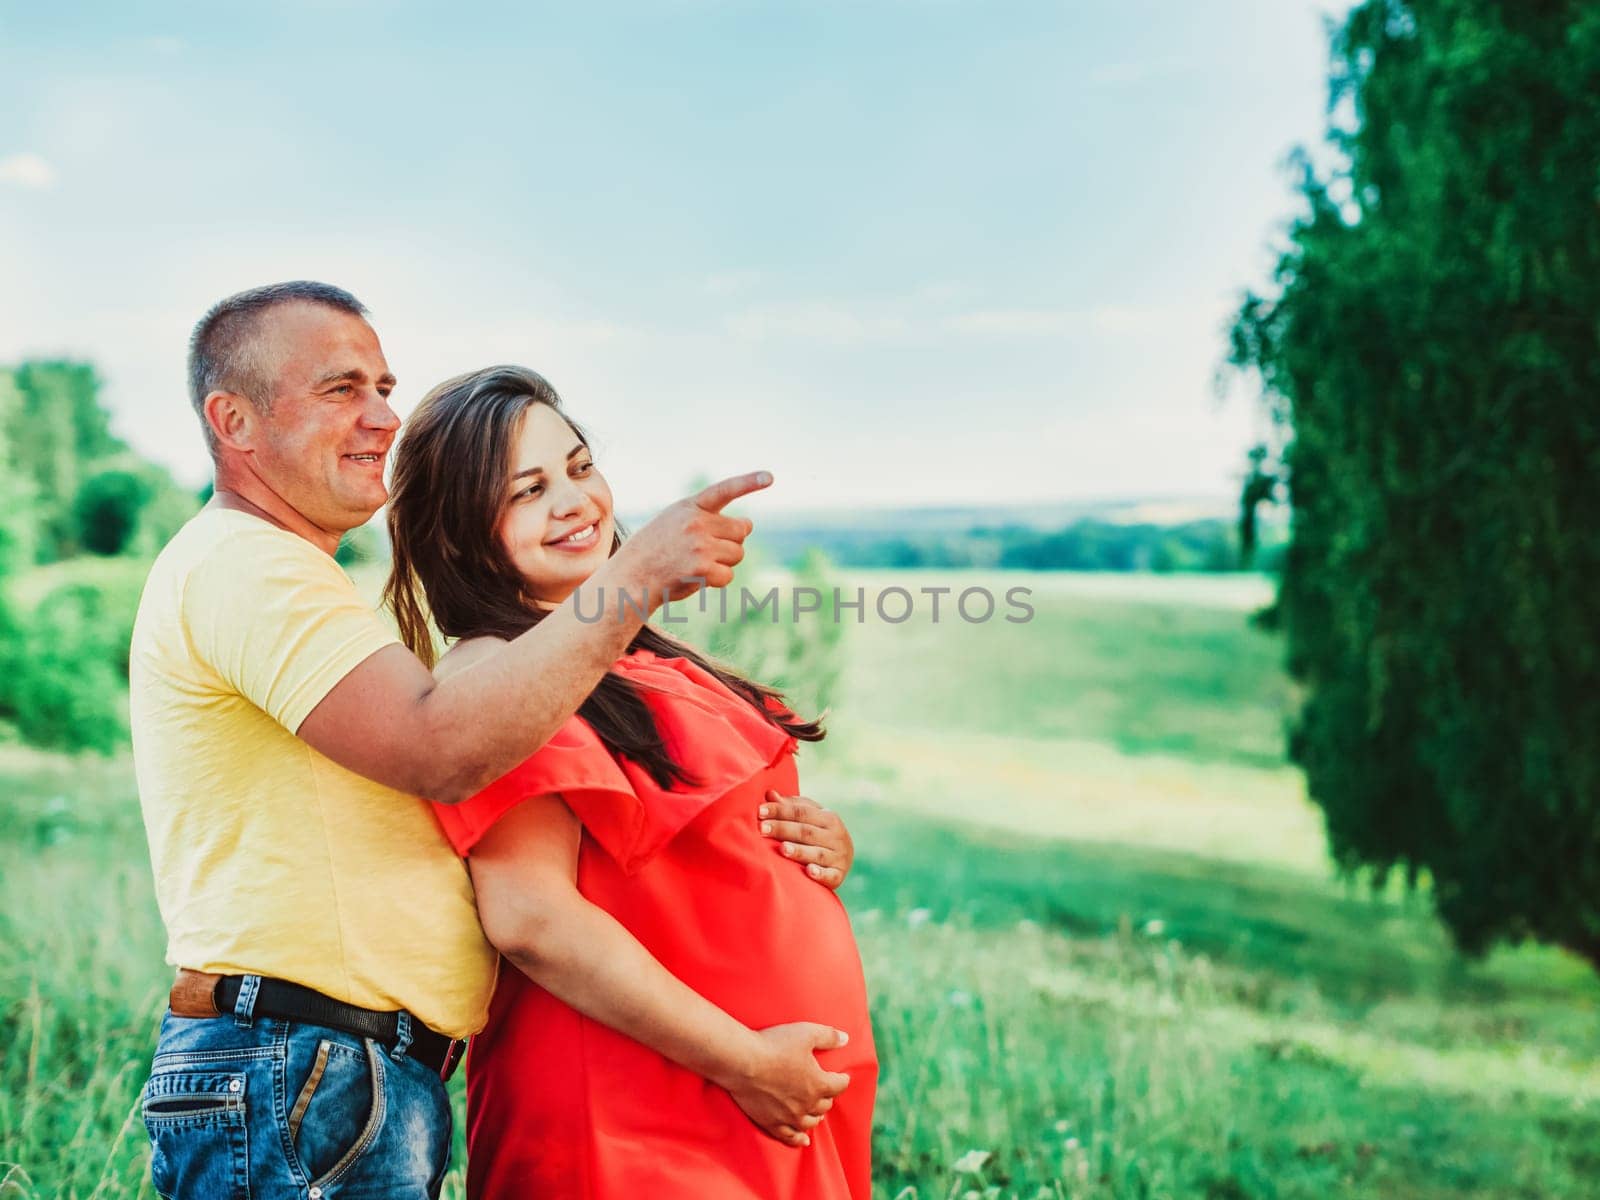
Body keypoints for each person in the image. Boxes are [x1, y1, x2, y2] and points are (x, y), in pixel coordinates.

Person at [131, 281, 857, 1200]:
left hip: (342, 1066)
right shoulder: (248, 566)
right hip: (302, 1057)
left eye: (384, 386)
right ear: (232, 420)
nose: (382, 417)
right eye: (341, 389)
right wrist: (633, 577)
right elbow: (447, 753)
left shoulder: (292, 580)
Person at [384, 364, 877, 1200]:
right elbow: (531, 916)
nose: (575, 502)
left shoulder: (632, 654)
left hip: (741, 1100)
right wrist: (747, 1062)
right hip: (641, 1110)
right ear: (463, 536)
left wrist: (819, 847)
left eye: (579, 467)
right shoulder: (499, 678)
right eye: (527, 491)